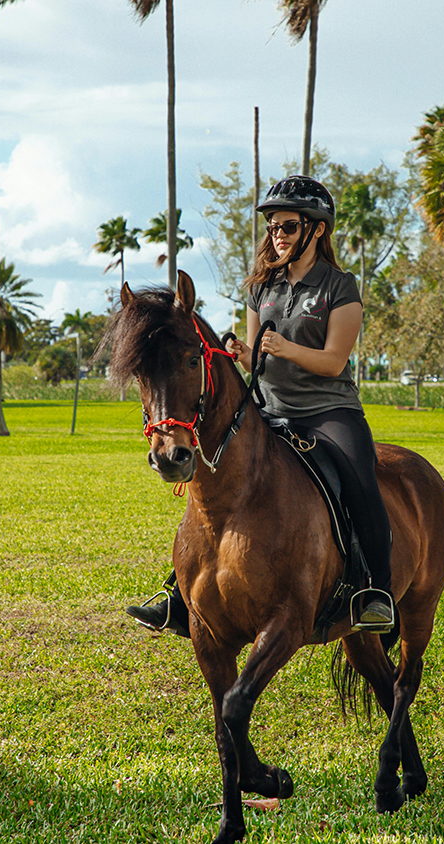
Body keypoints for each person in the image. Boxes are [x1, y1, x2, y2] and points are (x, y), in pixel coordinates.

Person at [127, 175, 394, 636]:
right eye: (273, 226)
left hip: (329, 413)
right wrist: (244, 355)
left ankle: (374, 591)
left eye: (288, 226)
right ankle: (180, 592)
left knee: (360, 482)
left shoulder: (339, 288)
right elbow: (259, 359)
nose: (278, 234)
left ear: (317, 230)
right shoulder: (261, 287)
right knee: (214, 482)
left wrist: (286, 349)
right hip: (269, 409)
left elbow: (333, 362)